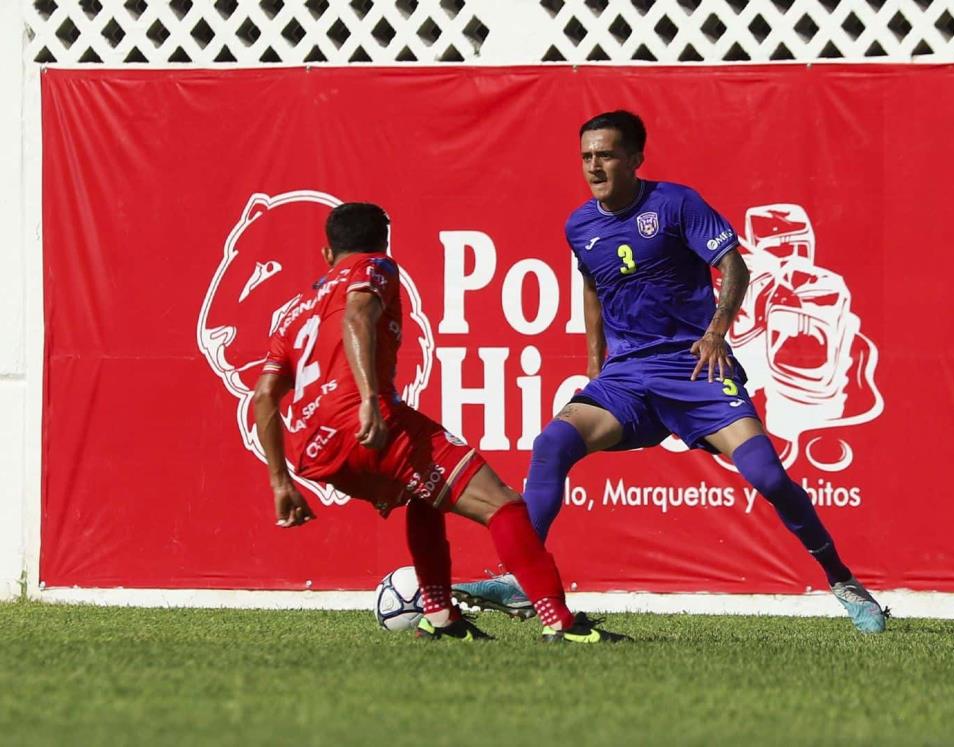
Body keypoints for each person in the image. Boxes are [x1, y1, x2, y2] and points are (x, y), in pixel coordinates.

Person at [460, 111, 888, 633]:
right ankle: (522, 580)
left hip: (694, 367)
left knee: (768, 476)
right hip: (629, 378)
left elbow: (734, 266)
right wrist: (596, 366)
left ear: (636, 159)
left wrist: (715, 331)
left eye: (607, 155)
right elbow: (593, 286)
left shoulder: (676, 204)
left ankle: (842, 579)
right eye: (587, 156)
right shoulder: (579, 225)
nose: (594, 166)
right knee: (553, 442)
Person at [251, 202, 626, 644]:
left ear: (326, 253)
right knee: (503, 505)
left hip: (311, 453)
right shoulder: (376, 267)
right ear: (383, 243)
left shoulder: (297, 311)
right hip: (365, 419)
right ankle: (561, 623)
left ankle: (440, 617)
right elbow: (357, 316)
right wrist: (370, 399)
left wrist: (280, 481)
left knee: (423, 494)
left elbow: (264, 398)